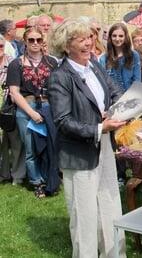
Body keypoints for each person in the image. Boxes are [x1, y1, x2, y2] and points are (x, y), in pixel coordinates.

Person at [47, 19, 126, 257]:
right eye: (80, 39)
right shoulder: (60, 77)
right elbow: (63, 121)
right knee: (85, 214)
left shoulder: (94, 65)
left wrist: (115, 110)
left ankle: (114, 253)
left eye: (90, 37)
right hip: (79, 154)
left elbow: (114, 91)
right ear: (65, 45)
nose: (88, 43)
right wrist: (99, 127)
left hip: (104, 145)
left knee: (110, 203)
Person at [6, 27, 57, 198]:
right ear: (25, 42)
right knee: (30, 149)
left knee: (49, 145)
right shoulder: (16, 64)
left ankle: (51, 178)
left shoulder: (51, 62)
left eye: (38, 40)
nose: (35, 43)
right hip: (26, 109)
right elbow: (14, 92)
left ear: (43, 42)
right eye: (31, 40)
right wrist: (31, 113)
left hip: (48, 108)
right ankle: (37, 182)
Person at [0, 34, 24, 185]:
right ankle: (3, 174)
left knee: (16, 143)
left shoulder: (13, 62)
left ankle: (18, 175)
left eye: (1, 46)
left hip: (11, 107)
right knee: (1, 144)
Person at [99, 22, 141, 92]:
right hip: (112, 98)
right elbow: (103, 83)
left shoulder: (134, 55)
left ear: (125, 37)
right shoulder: (103, 59)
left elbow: (137, 81)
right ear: (110, 37)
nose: (117, 39)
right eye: (114, 36)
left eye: (121, 36)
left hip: (130, 97)